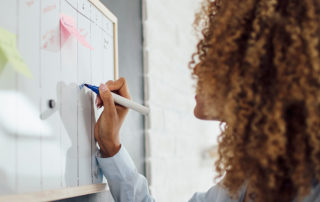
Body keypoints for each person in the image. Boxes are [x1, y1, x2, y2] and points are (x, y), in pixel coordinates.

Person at [94, 0, 320, 201]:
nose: (199, 66)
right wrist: (111, 146)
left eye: (214, 53)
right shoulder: (248, 180)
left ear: (258, 73)